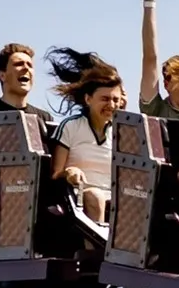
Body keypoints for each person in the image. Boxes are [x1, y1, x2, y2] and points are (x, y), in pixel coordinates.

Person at [46, 48, 125, 223]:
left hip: (114, 196)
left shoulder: (123, 133)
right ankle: (95, 250)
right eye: (105, 99)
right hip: (80, 197)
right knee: (95, 197)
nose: (111, 105)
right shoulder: (71, 126)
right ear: (88, 99)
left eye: (115, 100)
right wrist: (69, 172)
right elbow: (55, 173)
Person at [0, 43, 53, 171]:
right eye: (19, 64)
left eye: (30, 65)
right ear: (2, 75)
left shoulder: (44, 117)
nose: (26, 68)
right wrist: (16, 174)